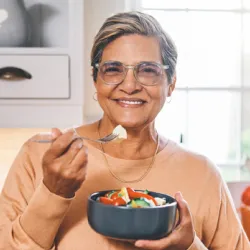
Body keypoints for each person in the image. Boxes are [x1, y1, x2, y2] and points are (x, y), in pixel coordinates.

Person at [0, 11, 249, 250]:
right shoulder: (41, 156)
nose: (129, 85)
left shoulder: (202, 175)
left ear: (171, 84)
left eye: (148, 70)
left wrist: (188, 247)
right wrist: (53, 193)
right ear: (95, 80)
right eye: (113, 69)